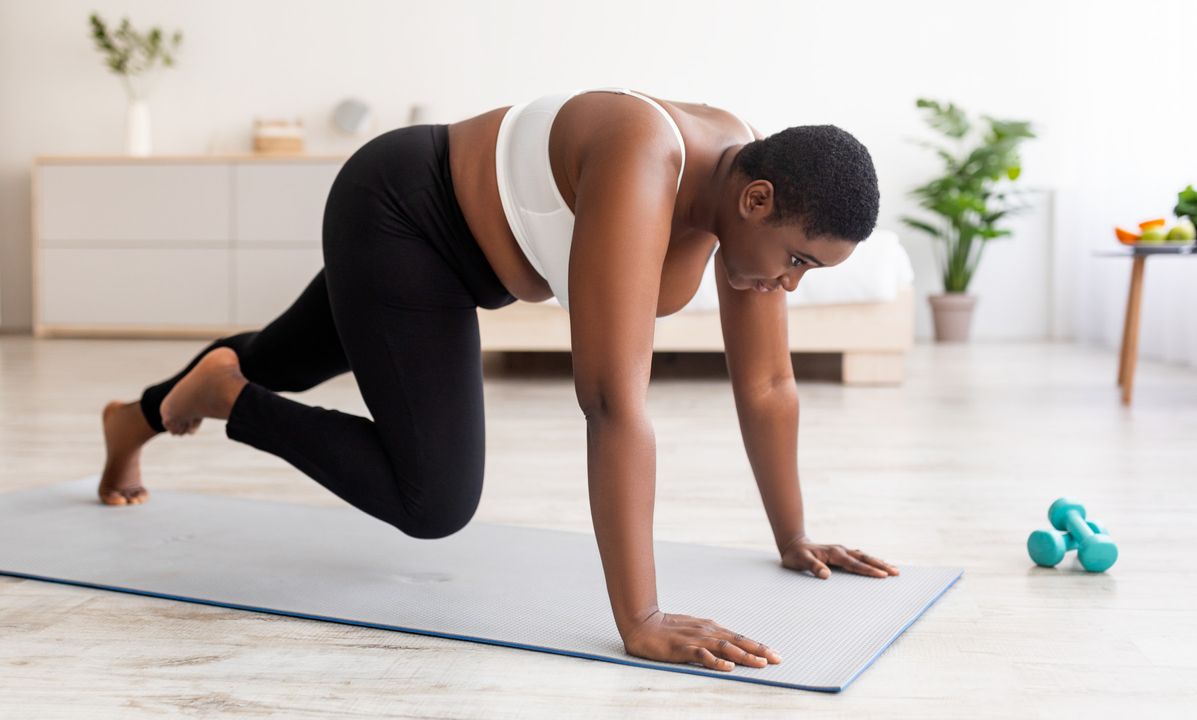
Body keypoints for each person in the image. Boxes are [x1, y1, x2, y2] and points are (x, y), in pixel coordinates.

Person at [96, 87, 897, 673]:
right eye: (799, 261)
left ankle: (136, 421)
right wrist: (642, 618)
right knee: (435, 501)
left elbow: (766, 386)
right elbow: (612, 402)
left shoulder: (749, 189)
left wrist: (793, 538)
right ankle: (225, 397)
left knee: (283, 356)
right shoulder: (645, 158)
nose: (792, 283)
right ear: (756, 200)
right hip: (402, 217)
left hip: (443, 250)